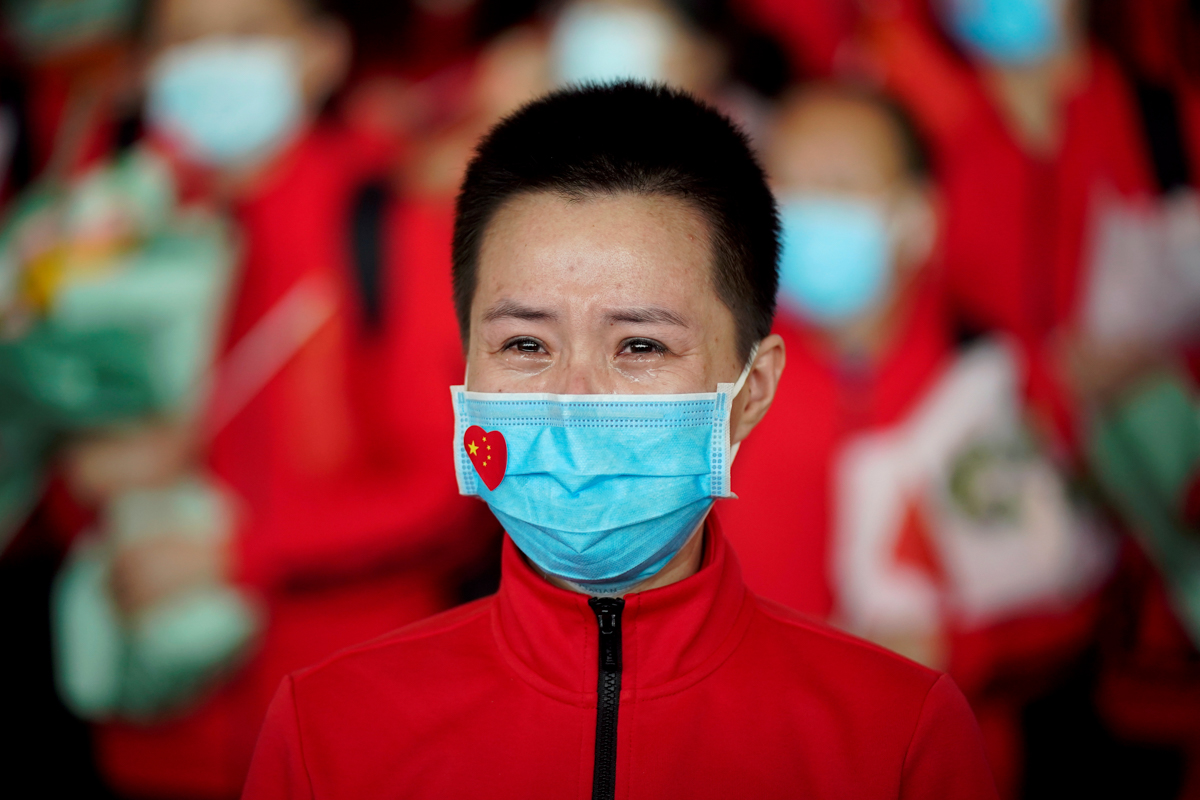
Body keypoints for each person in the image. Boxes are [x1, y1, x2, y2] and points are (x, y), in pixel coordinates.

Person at [241, 82, 997, 800]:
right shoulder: (329, 732)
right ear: (466, 370)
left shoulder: (898, 738)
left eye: (640, 346)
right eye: (525, 346)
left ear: (751, 393)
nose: (574, 399)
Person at [57, 0, 497, 796]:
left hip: (345, 719)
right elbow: (53, 434)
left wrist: (242, 550)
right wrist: (82, 475)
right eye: (185, 41)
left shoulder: (392, 214)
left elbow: (447, 484)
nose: (213, 64)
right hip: (156, 713)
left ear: (320, 52)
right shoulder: (110, 224)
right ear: (144, 65)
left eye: (247, 35)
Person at [718, 84, 1116, 798]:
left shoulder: (988, 376)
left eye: (838, 186)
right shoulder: (720, 376)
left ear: (917, 221)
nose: (802, 210)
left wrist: (959, 647)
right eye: (785, 185)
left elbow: (1072, 594)